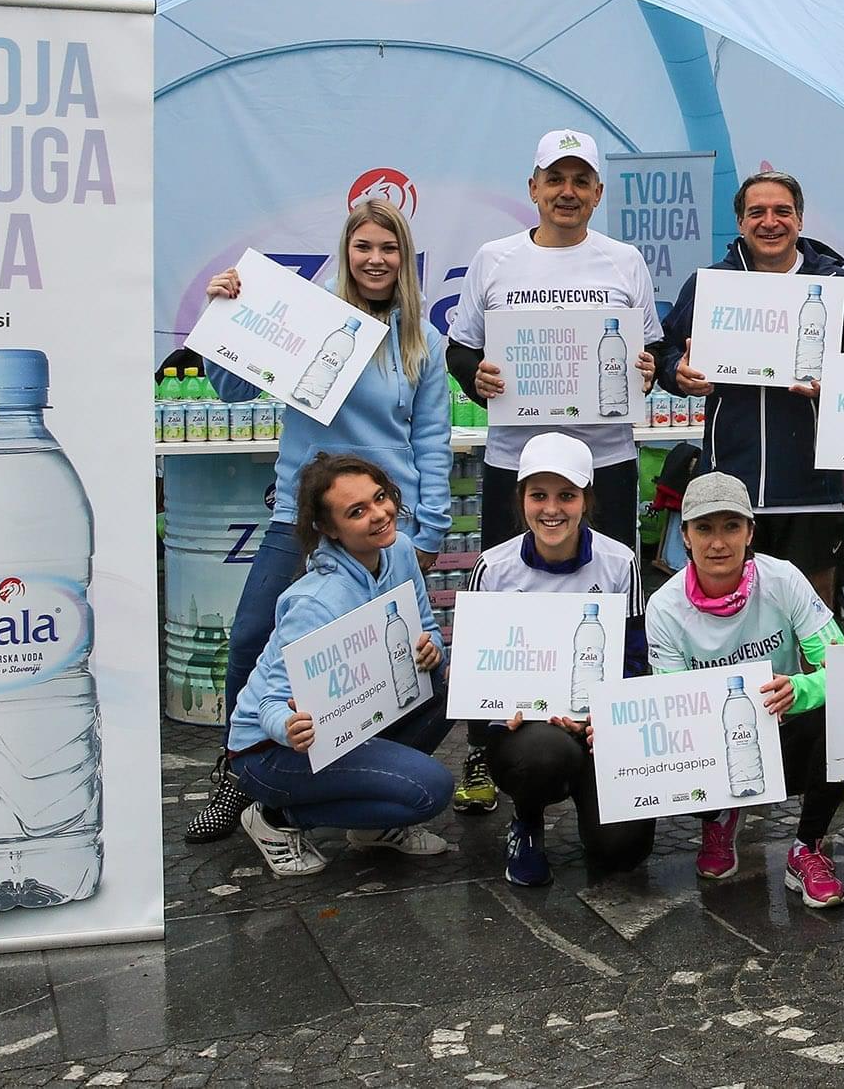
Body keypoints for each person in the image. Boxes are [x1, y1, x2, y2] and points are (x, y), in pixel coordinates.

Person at [185, 200, 453, 843]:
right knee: (252, 638)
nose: (375, 260)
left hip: (385, 521)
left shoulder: (422, 341)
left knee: (395, 659)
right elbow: (231, 389)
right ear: (346, 252)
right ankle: (238, 776)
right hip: (300, 516)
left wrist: (428, 529)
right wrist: (222, 312)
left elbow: (432, 440)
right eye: (364, 246)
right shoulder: (308, 319)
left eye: (388, 248)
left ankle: (365, 783)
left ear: (405, 259)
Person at [446, 128, 660, 817]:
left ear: (597, 192)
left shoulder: (624, 261)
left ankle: (606, 740)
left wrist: (648, 368)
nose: (567, 192)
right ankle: (486, 743)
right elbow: (461, 349)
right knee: (503, 609)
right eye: (555, 179)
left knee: (611, 603)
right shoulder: (494, 259)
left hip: (605, 463)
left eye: (580, 180)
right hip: (518, 462)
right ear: (533, 187)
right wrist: (477, 378)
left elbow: (651, 351)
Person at [655, 171, 844, 613]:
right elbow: (664, 350)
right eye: (757, 212)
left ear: (800, 219)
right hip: (731, 482)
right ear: (740, 222)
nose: (770, 222)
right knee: (735, 615)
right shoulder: (710, 283)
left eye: (782, 211)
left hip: (813, 489)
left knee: (813, 614)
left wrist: (836, 388)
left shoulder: (835, 285)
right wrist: (677, 373)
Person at [225, 453, 457, 878]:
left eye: (380, 497)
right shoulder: (315, 602)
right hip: (270, 752)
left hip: (354, 718)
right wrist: (289, 728)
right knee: (430, 790)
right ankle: (275, 817)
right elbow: (270, 703)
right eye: (357, 511)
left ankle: (373, 825)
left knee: (449, 682)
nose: (379, 514)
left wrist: (432, 649)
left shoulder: (400, 551)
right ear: (329, 529)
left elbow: (425, 626)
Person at [643, 471, 844, 908]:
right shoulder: (663, 606)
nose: (718, 543)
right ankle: (719, 815)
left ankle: (807, 847)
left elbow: (843, 668)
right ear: (685, 536)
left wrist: (801, 688)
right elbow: (672, 705)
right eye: (704, 528)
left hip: (782, 731)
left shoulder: (784, 579)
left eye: (731, 527)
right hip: (714, 741)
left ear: (750, 533)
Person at [472, 433, 658, 888]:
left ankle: (589, 793)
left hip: (596, 725)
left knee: (623, 851)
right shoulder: (493, 568)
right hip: (528, 734)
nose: (551, 509)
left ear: (586, 500)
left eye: (567, 496)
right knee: (543, 757)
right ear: (521, 499)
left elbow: (635, 660)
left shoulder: (620, 563)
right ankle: (527, 819)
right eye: (538, 495)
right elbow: (479, 674)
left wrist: (603, 717)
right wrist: (497, 709)